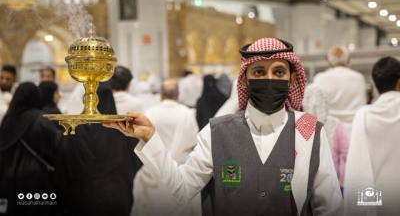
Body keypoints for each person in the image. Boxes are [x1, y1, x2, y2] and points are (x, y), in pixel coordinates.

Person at [104, 38, 343, 215]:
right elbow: (182, 188)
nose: (269, 78)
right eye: (259, 71)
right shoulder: (216, 132)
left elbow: (329, 207)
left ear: (291, 79)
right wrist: (150, 139)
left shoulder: (310, 130)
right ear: (245, 79)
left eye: (278, 71)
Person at [56, 82, 142, 216]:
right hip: (117, 196)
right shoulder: (123, 131)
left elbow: (64, 164)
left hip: (82, 198)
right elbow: (137, 161)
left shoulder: (74, 132)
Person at [132, 79, 201, 216]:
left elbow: (142, 140)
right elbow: (194, 145)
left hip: (152, 170)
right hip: (179, 172)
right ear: (178, 95)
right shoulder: (187, 113)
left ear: (161, 94)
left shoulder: (150, 113)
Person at [344, 56, 400, 216]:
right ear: (399, 82)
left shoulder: (364, 115)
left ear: (375, 86)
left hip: (379, 202)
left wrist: (367, 209)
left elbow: (359, 169)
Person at [0, 82, 62, 215]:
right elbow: (59, 147)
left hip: (8, 181)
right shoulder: (40, 120)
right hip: (37, 181)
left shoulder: (8, 120)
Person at [302, 83, 349, 193]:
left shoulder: (299, 124)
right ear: (326, 101)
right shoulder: (336, 125)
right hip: (332, 184)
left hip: (304, 185)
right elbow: (348, 155)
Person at [313, 45, 366, 135]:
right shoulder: (359, 78)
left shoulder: (320, 78)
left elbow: (315, 108)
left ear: (328, 60)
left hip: (329, 131)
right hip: (354, 131)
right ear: (348, 59)